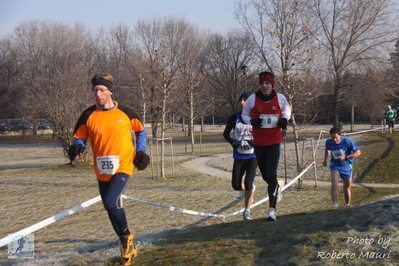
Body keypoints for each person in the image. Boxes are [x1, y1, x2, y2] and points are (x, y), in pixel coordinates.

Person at [68, 73, 149, 266]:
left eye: (101, 90)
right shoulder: (88, 115)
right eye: (95, 90)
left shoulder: (126, 112)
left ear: (110, 91)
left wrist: (141, 151)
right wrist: (78, 146)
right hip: (102, 168)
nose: (97, 93)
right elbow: (79, 136)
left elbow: (141, 130)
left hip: (123, 165)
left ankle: (127, 236)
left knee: (112, 202)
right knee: (108, 207)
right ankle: (126, 243)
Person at [241, 71, 291, 222]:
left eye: (267, 83)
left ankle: (272, 211)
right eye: (262, 83)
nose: (264, 86)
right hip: (259, 142)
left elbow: (287, 112)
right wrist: (252, 121)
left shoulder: (280, 98)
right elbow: (244, 115)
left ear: (272, 84)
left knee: (271, 172)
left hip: (274, 142)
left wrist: (284, 120)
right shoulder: (252, 99)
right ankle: (277, 185)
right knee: (266, 176)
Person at [223, 92, 257, 220]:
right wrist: (233, 142)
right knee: (236, 185)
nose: (242, 102)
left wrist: (254, 142)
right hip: (239, 156)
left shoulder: (256, 118)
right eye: (240, 100)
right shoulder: (233, 118)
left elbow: (263, 133)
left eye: (245, 100)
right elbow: (225, 134)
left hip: (253, 155)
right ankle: (251, 189)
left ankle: (247, 211)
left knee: (248, 182)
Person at [322, 127, 361, 208]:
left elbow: (358, 152)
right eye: (332, 137)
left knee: (346, 189)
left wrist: (346, 158)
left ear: (340, 135)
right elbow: (327, 149)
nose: (334, 139)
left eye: (336, 137)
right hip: (335, 165)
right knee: (334, 184)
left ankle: (347, 205)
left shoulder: (347, 141)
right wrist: (325, 159)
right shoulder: (329, 142)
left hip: (346, 166)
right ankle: (335, 205)